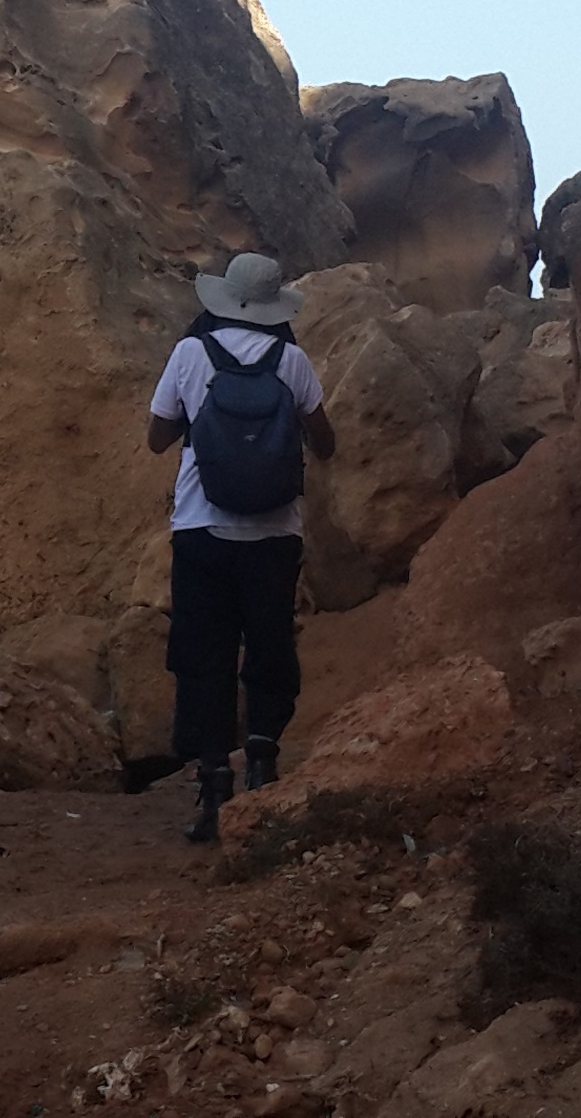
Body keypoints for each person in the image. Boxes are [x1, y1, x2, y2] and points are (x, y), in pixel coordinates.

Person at [147, 252, 335, 844]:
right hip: (275, 536)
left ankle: (211, 785)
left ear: (223, 299)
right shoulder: (294, 361)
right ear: (276, 307)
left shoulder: (189, 354)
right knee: (270, 646)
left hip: (201, 531)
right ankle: (263, 763)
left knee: (204, 656)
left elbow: (157, 439)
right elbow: (325, 443)